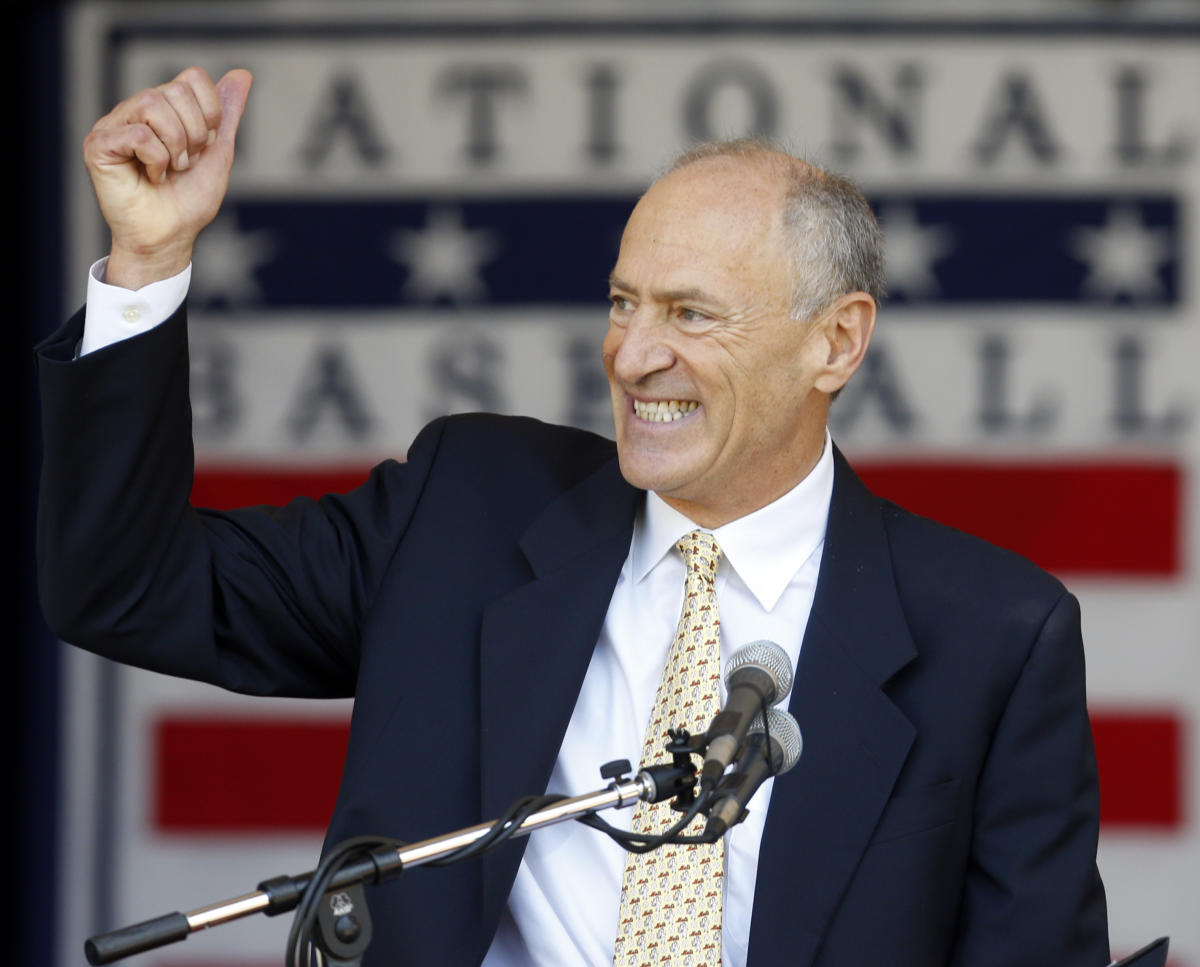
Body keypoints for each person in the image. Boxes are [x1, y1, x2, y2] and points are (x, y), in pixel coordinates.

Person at [37, 67, 1109, 966]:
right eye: (622, 301)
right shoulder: (466, 510)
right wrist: (147, 261)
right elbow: (127, 586)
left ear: (836, 341)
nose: (634, 354)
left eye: (692, 314)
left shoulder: (994, 634)